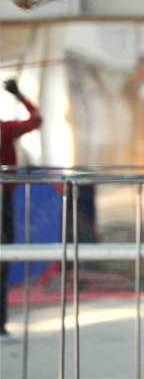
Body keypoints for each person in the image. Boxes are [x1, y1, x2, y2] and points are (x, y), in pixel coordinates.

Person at [0, 79, 42, 344]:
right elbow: (36, 119)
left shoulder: (5, 130)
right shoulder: (4, 130)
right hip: (3, 199)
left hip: (4, 199)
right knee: (3, 259)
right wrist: (20, 96)